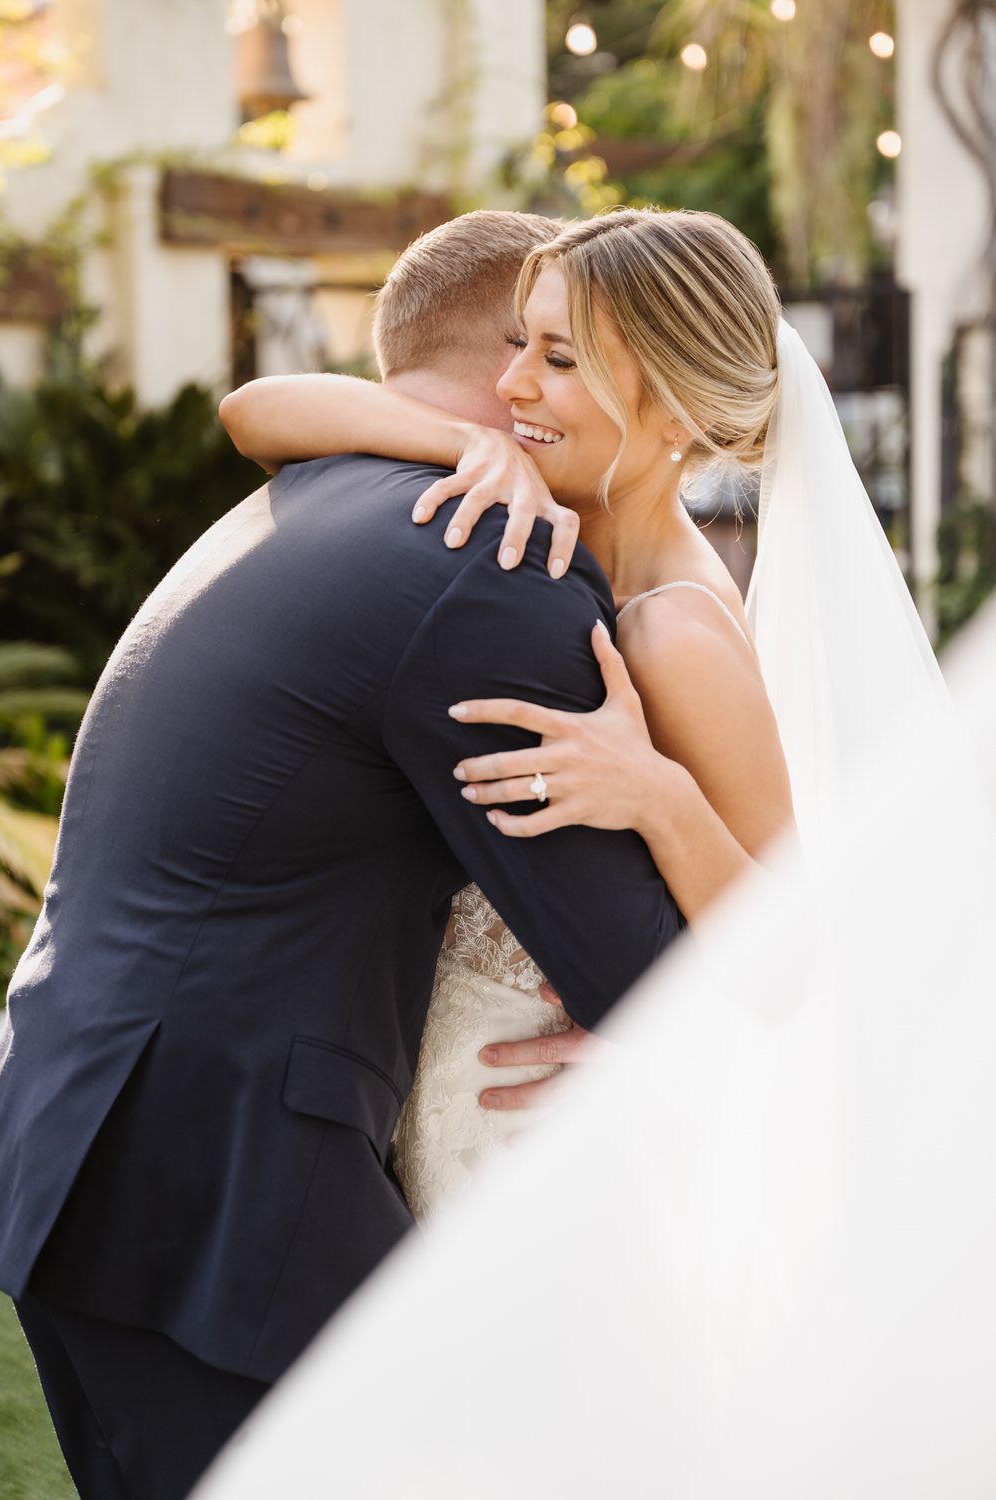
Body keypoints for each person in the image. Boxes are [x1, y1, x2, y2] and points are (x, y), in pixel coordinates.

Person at [0, 210, 686, 1500]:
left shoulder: (297, 502)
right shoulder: (489, 554)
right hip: (223, 1186)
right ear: (512, 362)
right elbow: (650, 979)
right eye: (558, 350)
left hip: (85, 1136)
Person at [219, 207, 797, 1219]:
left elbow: (791, 954)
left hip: (546, 1145)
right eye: (520, 342)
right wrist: (454, 440)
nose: (512, 382)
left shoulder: (671, 631)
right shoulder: (528, 501)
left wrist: (656, 796)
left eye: (558, 358)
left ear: (673, 413)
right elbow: (254, 411)